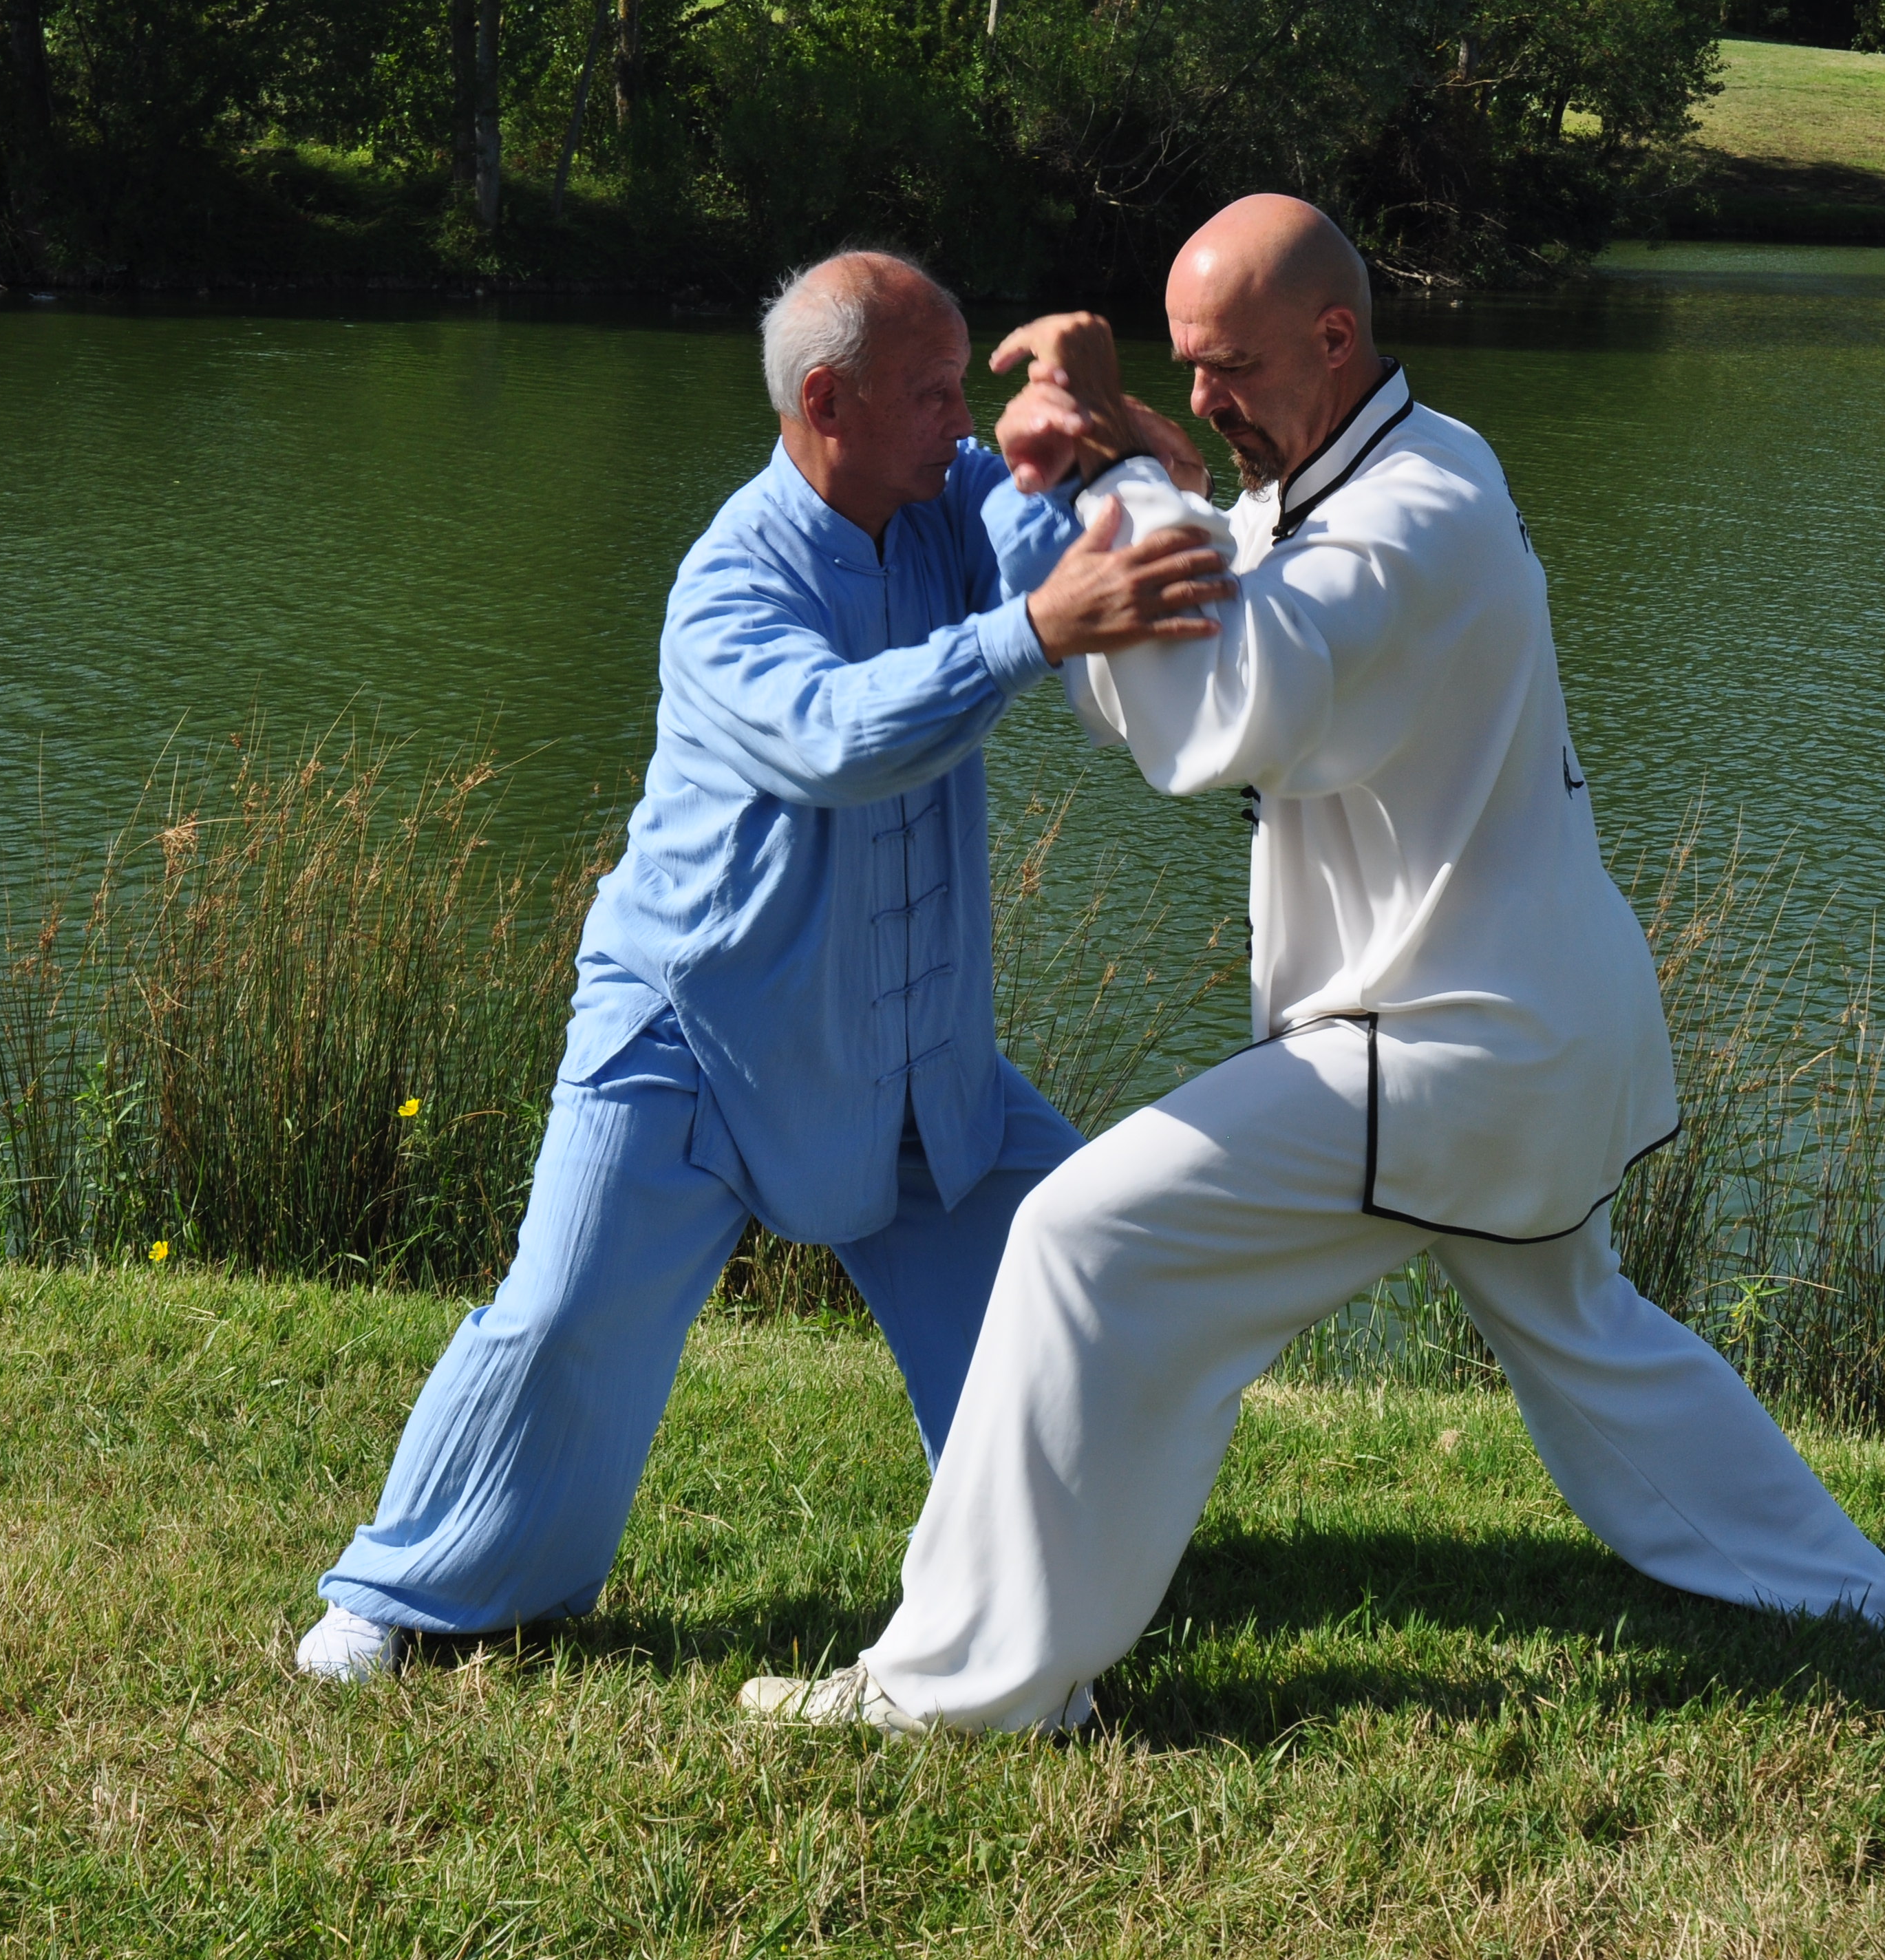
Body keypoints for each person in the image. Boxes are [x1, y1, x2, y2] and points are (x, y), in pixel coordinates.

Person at [742, 198, 1885, 1735]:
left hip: (1450, 1044)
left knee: (1084, 1241)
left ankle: (962, 1688)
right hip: (1526, 1036)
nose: (1209, 397)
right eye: (1185, 367)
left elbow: (1234, 691)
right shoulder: (1335, 490)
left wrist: (1118, 475)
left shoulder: (1416, 507)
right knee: (1582, 1326)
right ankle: (1840, 1590)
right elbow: (1196, 615)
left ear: (1335, 338)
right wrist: (1135, 473)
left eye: (1226, 366)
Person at [294, 250, 1233, 1681]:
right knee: (561, 1317)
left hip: (912, 1043)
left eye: (960, 386)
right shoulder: (728, 577)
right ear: (825, 401)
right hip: (693, 1029)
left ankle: (1066, 1547)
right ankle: (407, 1594)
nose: (955, 421)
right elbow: (837, 736)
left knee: (1082, 1255)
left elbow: (1087, 563)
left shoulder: (943, 495)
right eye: (931, 394)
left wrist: (1097, 436)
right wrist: (1034, 630)